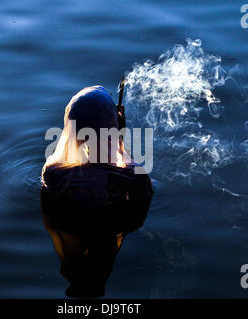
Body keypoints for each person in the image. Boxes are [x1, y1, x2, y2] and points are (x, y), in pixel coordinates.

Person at [41, 85, 153, 298]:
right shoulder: (135, 180)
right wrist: (121, 132)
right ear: (111, 127)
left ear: (70, 128)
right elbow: (125, 167)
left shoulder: (54, 175)